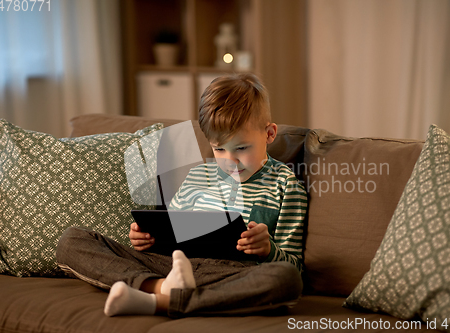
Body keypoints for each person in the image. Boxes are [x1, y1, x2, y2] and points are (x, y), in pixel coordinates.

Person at [56, 73, 308, 317]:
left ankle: (158, 301)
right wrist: (146, 239)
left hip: (231, 275)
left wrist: (267, 250)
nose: (230, 160)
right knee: (72, 240)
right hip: (173, 267)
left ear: (270, 134)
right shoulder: (200, 175)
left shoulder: (285, 185)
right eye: (219, 149)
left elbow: (295, 268)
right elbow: (172, 232)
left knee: (285, 280)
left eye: (241, 148)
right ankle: (159, 288)